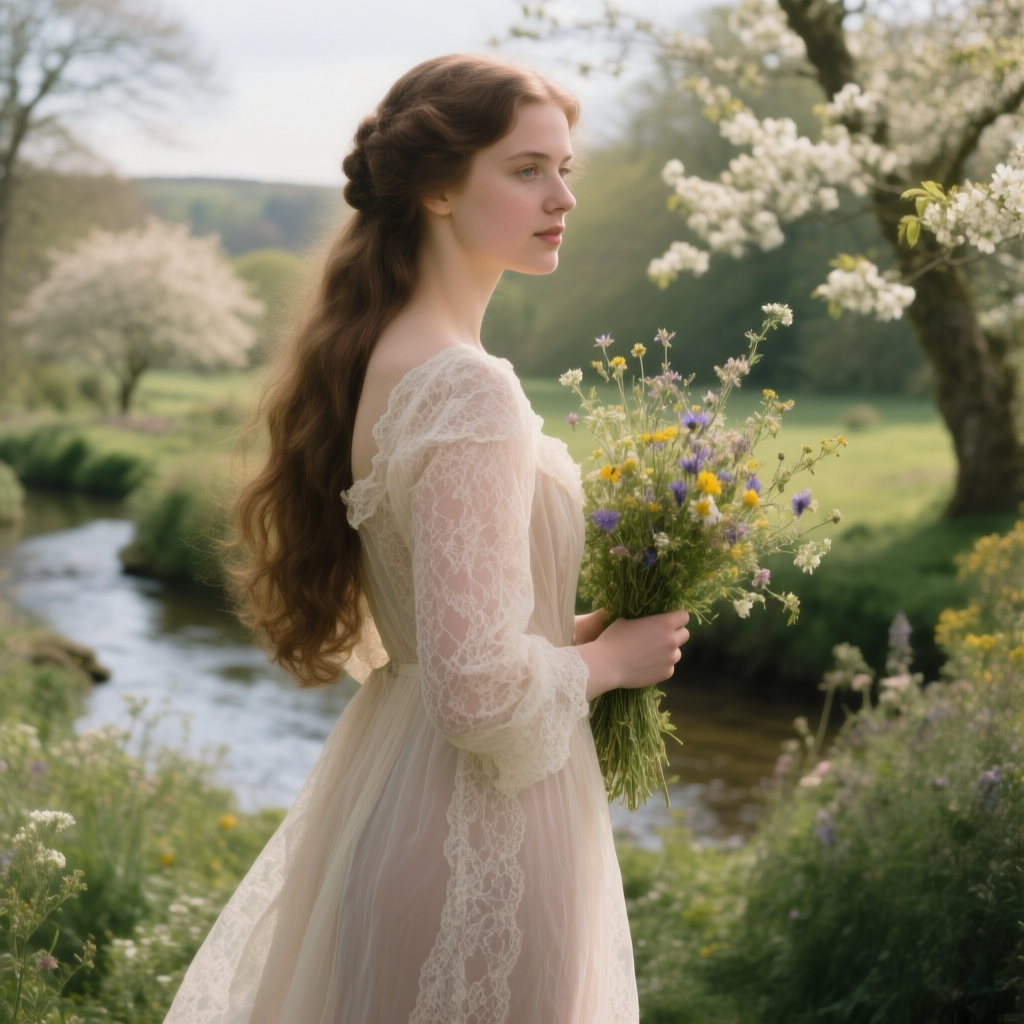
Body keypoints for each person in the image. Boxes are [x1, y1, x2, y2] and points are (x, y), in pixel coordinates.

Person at [164, 54, 690, 1024]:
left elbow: (419, 630)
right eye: (528, 169)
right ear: (440, 186)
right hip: (478, 835)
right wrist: (612, 662)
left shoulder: (385, 358)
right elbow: (479, 691)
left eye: (565, 167)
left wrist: (556, 628)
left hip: (395, 801)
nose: (563, 195)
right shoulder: (466, 386)